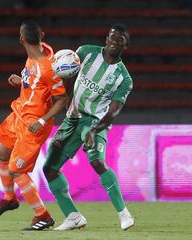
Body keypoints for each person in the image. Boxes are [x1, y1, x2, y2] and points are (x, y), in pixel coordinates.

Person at [43, 23, 135, 231]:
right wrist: (66, 96)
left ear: (125, 46)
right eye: (111, 37)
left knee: (96, 161)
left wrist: (94, 131)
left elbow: (113, 111)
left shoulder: (124, 78)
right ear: (106, 38)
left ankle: (124, 213)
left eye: (118, 40)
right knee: (50, 168)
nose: (113, 42)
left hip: (96, 121)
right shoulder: (85, 52)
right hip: (72, 119)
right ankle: (73, 216)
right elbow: (67, 72)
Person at [0, 20, 68, 231]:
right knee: (2, 153)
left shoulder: (49, 67)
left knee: (16, 171)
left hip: (34, 124)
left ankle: (43, 216)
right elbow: (35, 83)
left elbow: (62, 99)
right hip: (19, 114)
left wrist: (41, 121)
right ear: (42, 35)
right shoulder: (36, 53)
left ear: (21, 39)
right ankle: (9, 199)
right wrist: (20, 80)